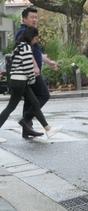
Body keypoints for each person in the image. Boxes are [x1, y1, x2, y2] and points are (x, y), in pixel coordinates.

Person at [0, 27, 62, 143]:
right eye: (35, 38)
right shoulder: (26, 47)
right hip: (21, 81)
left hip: (17, 80)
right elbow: (28, 67)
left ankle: (48, 129)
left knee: (34, 104)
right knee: (11, 107)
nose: (36, 40)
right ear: (31, 37)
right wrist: (33, 79)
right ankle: (47, 129)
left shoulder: (19, 46)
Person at [14, 7, 58, 138]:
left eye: (36, 17)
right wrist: (34, 66)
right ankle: (26, 120)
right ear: (24, 19)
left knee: (30, 101)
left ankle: (27, 128)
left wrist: (48, 62)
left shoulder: (30, 32)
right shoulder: (22, 32)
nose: (34, 20)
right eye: (31, 17)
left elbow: (36, 52)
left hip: (33, 72)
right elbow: (26, 51)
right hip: (31, 72)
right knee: (44, 95)